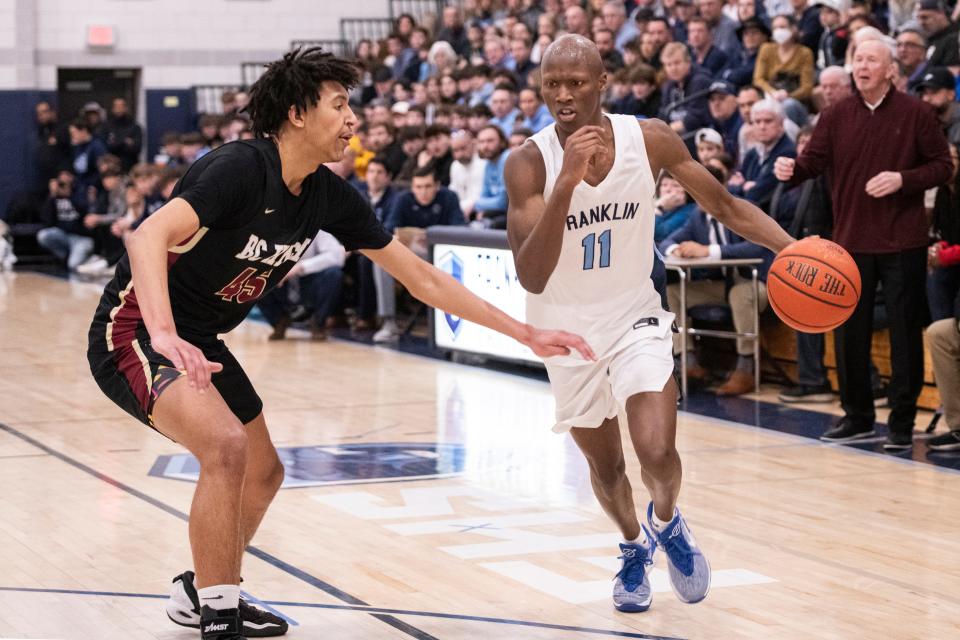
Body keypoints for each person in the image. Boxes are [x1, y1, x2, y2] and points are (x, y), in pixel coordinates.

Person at [86, 48, 593, 640]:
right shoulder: (238, 169)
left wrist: (524, 332)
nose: (353, 119)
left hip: (199, 336)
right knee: (225, 447)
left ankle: (204, 588)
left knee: (266, 472)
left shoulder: (327, 195)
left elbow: (421, 277)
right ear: (299, 113)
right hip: (136, 330)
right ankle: (220, 613)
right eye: (340, 105)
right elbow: (148, 236)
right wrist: (166, 334)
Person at [506, 35, 794, 613]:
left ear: (602, 83)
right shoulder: (528, 163)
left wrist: (795, 249)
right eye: (552, 83)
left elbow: (728, 208)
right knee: (607, 465)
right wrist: (567, 180)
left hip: (635, 313)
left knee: (657, 451)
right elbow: (532, 276)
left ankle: (669, 522)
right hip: (566, 329)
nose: (563, 95)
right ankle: (633, 546)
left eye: (576, 83)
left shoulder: (651, 137)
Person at [774, 39, 953, 450]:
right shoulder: (836, 114)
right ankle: (857, 417)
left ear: (891, 69)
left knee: (905, 333)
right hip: (850, 241)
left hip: (903, 240)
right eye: (857, 59)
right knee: (848, 332)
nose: (862, 66)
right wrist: (791, 169)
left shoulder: (916, 113)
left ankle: (902, 424)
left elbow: (942, 166)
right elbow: (812, 163)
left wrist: (903, 179)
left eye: (872, 59)